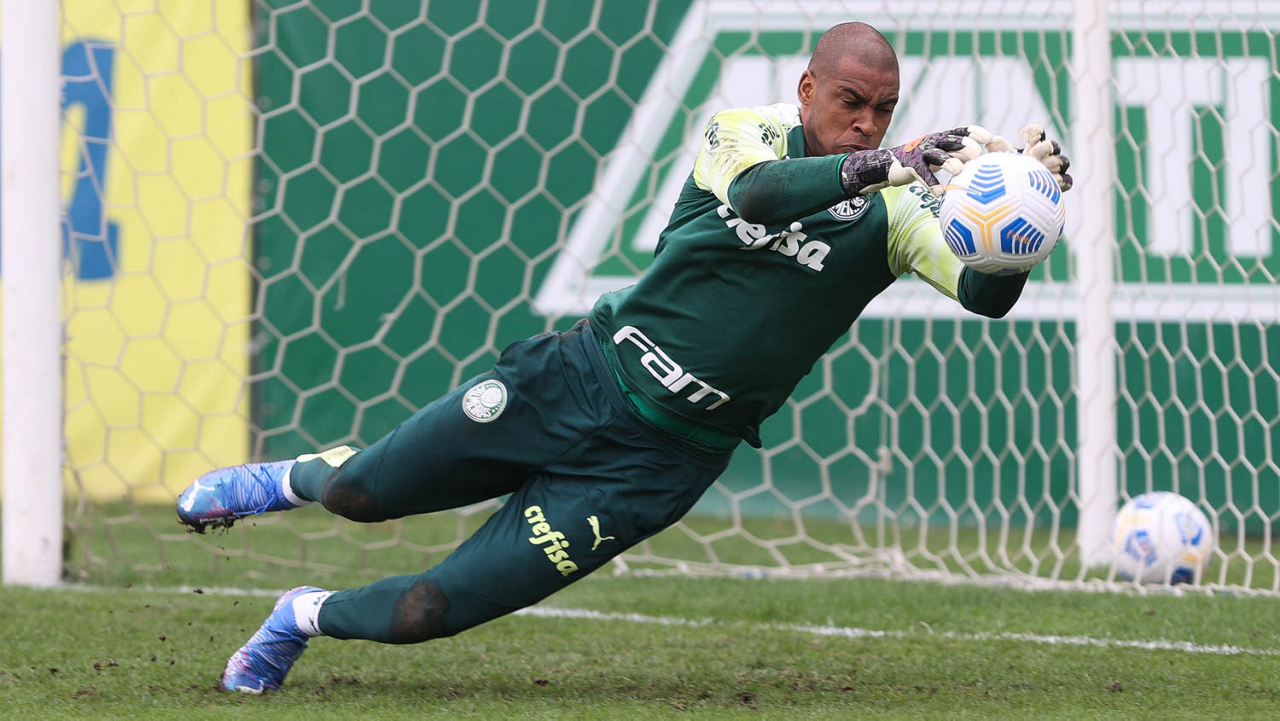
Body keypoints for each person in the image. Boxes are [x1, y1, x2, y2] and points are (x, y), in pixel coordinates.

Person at [176, 21, 1072, 693]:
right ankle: (285, 479)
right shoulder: (747, 133)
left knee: (429, 610)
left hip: (657, 463)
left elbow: (981, 294)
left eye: (883, 110)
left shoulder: (900, 211)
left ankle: (299, 616)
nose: (866, 123)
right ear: (806, 89)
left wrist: (1023, 230)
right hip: (575, 378)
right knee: (359, 492)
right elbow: (760, 197)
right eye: (850, 102)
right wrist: (889, 160)